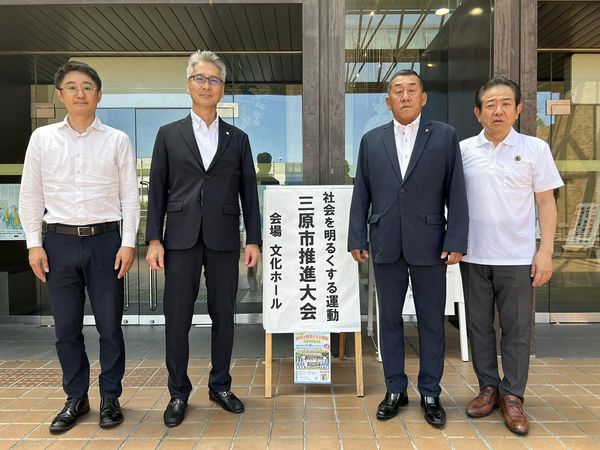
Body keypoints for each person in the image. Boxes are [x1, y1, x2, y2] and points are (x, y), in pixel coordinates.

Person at [19, 61, 140, 432]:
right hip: (58, 242)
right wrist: (34, 244)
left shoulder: (117, 139)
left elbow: (130, 195)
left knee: (110, 326)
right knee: (66, 329)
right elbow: (30, 194)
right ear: (60, 95)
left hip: (106, 242)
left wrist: (128, 242)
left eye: (87, 87)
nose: (80, 93)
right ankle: (76, 398)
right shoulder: (42, 138)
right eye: (71, 87)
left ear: (98, 95)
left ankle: (110, 397)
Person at [145, 50, 261, 427]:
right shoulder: (168, 134)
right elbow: (157, 190)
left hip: (224, 237)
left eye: (214, 80)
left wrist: (253, 239)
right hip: (179, 238)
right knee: (177, 317)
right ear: (189, 85)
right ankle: (178, 392)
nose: (206, 85)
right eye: (200, 78)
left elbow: (249, 192)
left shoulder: (238, 138)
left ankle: (220, 385)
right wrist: (153, 238)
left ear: (222, 88)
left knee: (223, 315)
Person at [348, 69, 468, 428]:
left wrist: (456, 239)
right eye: (398, 91)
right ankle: (395, 389)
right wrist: (357, 237)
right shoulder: (371, 140)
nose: (405, 96)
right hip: (385, 242)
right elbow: (361, 192)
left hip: (431, 244)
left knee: (432, 321)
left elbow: (456, 191)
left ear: (423, 97)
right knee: (389, 320)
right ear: (388, 101)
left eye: (411, 89)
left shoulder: (444, 136)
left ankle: (430, 392)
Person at [460, 77, 563, 435]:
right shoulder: (463, 151)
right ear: (478, 113)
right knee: (478, 326)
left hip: (518, 257)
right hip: (473, 255)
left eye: (506, 103)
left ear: (518, 109)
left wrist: (545, 251)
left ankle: (513, 395)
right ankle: (488, 388)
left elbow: (546, 203)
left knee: (517, 330)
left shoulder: (535, 149)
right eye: (490, 105)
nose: (498, 110)